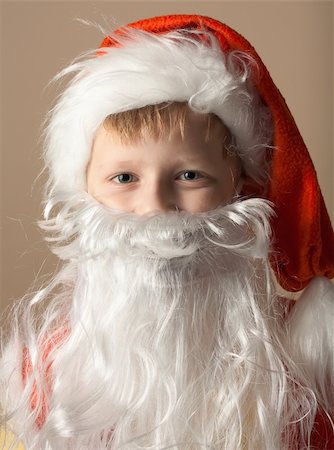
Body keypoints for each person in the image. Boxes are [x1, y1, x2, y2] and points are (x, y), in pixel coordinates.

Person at [1, 14, 334, 450]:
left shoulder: (303, 370)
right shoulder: (38, 377)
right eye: (123, 178)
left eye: (191, 175)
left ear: (239, 189)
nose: (156, 206)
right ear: (85, 193)